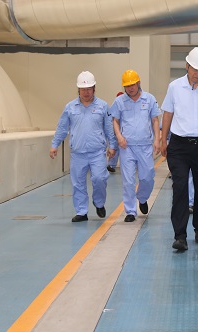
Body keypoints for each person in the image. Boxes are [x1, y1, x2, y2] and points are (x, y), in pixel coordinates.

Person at [160, 46, 198, 251]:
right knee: (180, 188)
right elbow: (168, 113)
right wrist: (163, 139)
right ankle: (180, 235)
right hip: (179, 145)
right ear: (187, 66)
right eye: (195, 69)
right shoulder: (174, 87)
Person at [49, 71, 117, 222]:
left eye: (89, 89)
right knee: (78, 183)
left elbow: (109, 128)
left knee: (99, 179)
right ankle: (81, 211)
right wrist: (55, 144)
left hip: (97, 152)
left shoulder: (103, 106)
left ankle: (99, 203)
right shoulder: (70, 107)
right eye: (83, 89)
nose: (86, 92)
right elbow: (62, 128)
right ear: (78, 90)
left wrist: (112, 145)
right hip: (78, 153)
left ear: (94, 89)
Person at [111, 70, 161, 222]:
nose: (130, 88)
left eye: (133, 85)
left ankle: (143, 198)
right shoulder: (119, 101)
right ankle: (130, 211)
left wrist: (157, 140)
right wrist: (119, 137)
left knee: (147, 177)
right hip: (127, 147)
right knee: (128, 181)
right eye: (127, 86)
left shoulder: (149, 99)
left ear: (138, 83)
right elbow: (115, 121)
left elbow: (155, 120)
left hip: (145, 146)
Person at [107, 91, 124, 173]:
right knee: (114, 148)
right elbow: (110, 121)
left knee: (123, 149)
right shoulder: (114, 108)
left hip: (124, 133)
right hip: (115, 133)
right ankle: (111, 165)